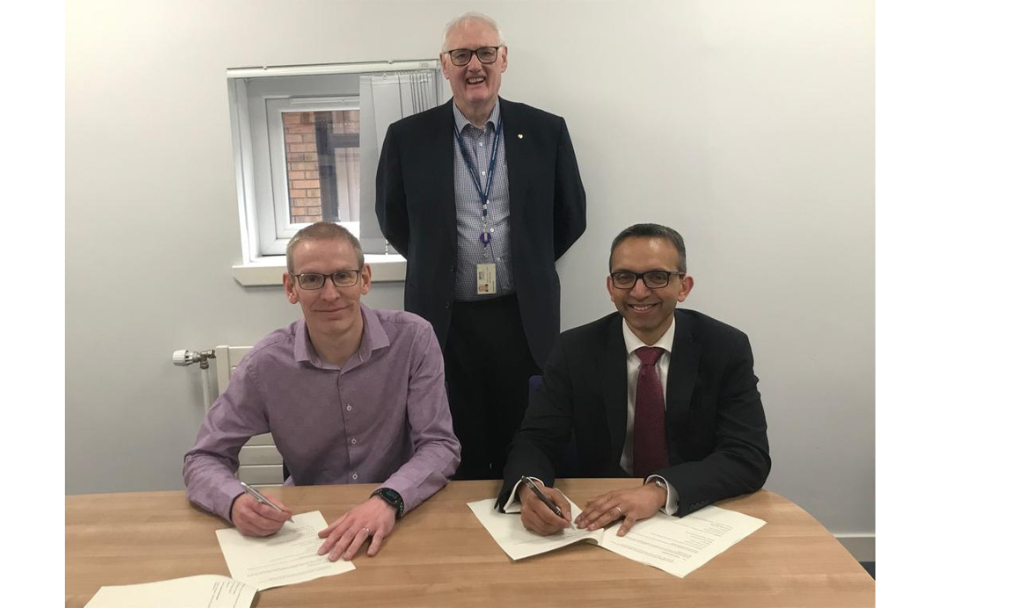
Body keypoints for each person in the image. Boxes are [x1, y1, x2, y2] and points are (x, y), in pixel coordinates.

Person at [376, 12, 587, 480]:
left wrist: (528, 261)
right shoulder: (407, 137)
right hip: (446, 320)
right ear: (444, 65)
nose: (475, 65)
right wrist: (440, 261)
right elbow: (392, 218)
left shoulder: (546, 131)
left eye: (485, 53)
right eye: (461, 55)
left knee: (527, 436)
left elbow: (571, 215)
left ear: (503, 59)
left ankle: (524, 516)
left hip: (522, 316)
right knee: (452, 443)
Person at [184, 222, 460, 561]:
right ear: (291, 288)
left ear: (365, 279)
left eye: (343, 276)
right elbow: (203, 458)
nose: (330, 294)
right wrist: (235, 501)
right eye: (312, 279)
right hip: (309, 530)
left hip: (401, 514)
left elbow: (440, 445)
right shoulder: (265, 364)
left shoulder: (414, 340)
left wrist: (389, 499)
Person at [496, 223, 771, 537]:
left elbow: (747, 455)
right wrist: (530, 489)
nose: (639, 291)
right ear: (611, 287)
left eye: (657, 277)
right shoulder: (575, 349)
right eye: (625, 277)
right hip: (600, 516)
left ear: (684, 286)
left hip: (692, 515)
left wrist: (657, 491)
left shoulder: (725, 348)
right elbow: (536, 439)